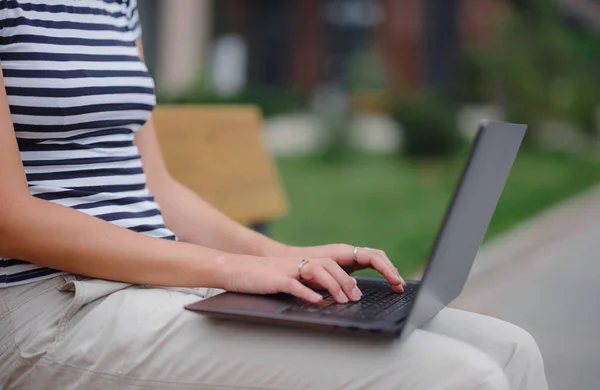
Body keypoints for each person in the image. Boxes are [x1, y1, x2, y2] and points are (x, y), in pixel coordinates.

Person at [0, 1, 547, 389]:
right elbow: (9, 217)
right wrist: (228, 269)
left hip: (157, 283)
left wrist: (282, 256)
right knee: (461, 378)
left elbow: (157, 188)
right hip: (49, 306)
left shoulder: (113, 4)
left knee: (511, 350)